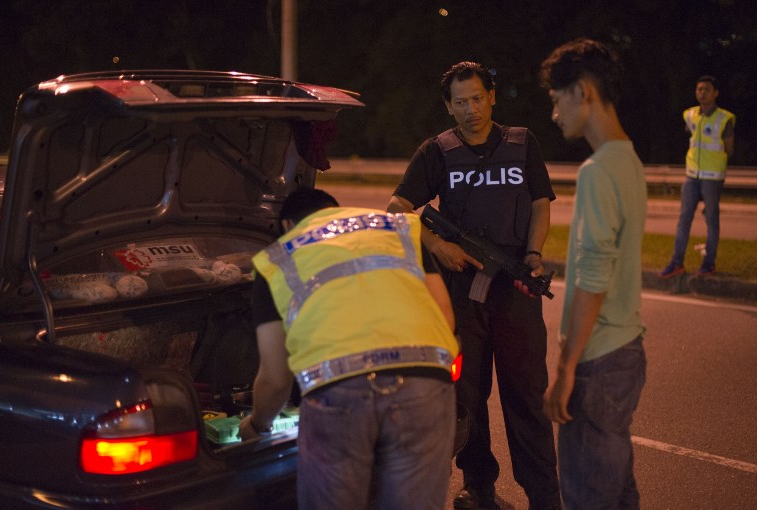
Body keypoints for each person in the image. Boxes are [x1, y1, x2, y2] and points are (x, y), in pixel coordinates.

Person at [387, 61, 560, 510]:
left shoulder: (523, 143)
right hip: (461, 292)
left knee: (526, 395)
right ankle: (478, 487)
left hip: (515, 290)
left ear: (492, 97)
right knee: (468, 398)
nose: (470, 109)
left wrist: (534, 254)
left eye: (477, 98)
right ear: (449, 107)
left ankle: (544, 496)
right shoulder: (437, 151)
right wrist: (437, 245)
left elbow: (541, 205)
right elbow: (397, 209)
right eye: (460, 102)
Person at [239, 188, 460, 510]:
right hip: (424, 382)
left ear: (288, 224)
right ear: (334, 211)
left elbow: (275, 376)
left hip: (339, 391)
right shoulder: (397, 228)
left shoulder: (276, 258)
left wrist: (258, 424)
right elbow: (445, 315)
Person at [539, 38, 648, 509]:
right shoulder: (629, 159)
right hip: (628, 351)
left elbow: (593, 279)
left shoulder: (597, 171)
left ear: (582, 92)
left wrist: (565, 370)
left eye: (556, 99)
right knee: (618, 495)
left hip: (599, 361)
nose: (555, 114)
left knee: (588, 498)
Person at [661, 75, 735, 278]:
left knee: (711, 220)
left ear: (715, 93)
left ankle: (708, 263)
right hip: (692, 176)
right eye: (699, 89)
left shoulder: (724, 119)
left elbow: (729, 149)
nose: (702, 93)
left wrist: (716, 167)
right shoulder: (690, 115)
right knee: (684, 219)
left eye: (707, 89)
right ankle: (677, 263)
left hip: (712, 177)